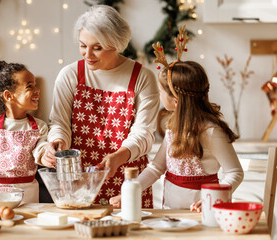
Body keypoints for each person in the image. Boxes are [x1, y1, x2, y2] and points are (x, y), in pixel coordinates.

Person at [41, 5, 160, 208]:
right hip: (77, 180)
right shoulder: (69, 75)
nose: (88, 55)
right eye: (82, 46)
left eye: (97, 48)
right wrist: (57, 142)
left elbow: (144, 133)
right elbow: (59, 122)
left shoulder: (142, 77)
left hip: (127, 179)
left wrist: (118, 157)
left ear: (116, 44)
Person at [109, 58, 244, 209]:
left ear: (175, 100)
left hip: (205, 213)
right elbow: (156, 168)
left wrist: (213, 199)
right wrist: (128, 193)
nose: (159, 95)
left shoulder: (211, 131)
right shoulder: (173, 128)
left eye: (160, 91)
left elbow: (235, 172)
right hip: (171, 214)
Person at [0, 58, 48, 203]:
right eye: (29, 86)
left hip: (29, 193)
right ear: (8, 95)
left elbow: (41, 150)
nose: (37, 91)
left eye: (35, 85)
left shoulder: (40, 127)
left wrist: (47, 156)